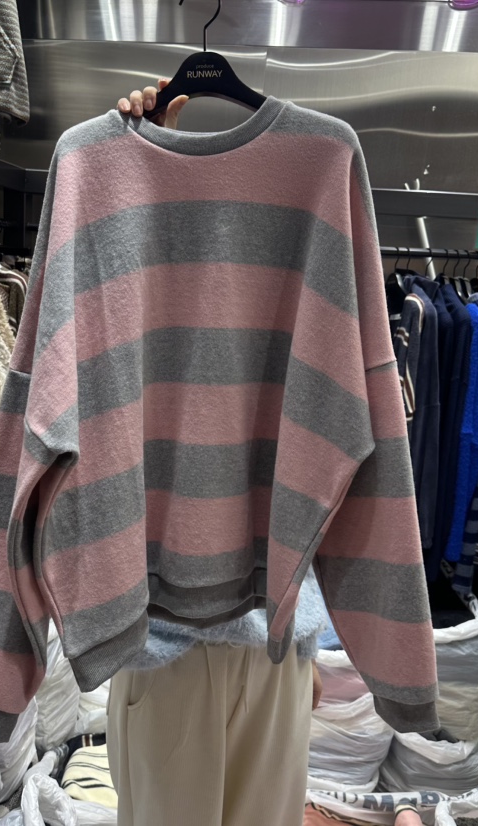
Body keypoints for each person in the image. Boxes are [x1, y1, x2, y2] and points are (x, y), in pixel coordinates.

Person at [106, 79, 325, 826]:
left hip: (276, 639)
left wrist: (317, 638)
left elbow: (344, 432)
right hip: (166, 645)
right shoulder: (108, 182)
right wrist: (143, 166)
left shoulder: (321, 173)